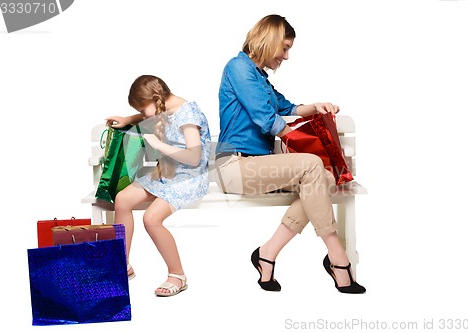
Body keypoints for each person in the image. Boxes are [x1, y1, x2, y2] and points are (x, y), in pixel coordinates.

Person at [215, 14, 365, 294]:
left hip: (263, 167)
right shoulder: (238, 67)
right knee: (312, 166)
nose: (286, 56)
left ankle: (267, 253)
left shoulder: (259, 77)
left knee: (327, 177)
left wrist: (316, 106)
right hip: (235, 166)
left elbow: (286, 106)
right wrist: (305, 144)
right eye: (284, 48)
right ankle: (338, 257)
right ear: (269, 40)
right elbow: (266, 119)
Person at [106, 74, 211, 297]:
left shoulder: (188, 114)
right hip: (167, 174)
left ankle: (177, 275)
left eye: (143, 109)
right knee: (122, 199)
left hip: (189, 178)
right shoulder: (164, 106)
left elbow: (194, 158)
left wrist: (158, 145)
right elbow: (152, 111)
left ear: (155, 99)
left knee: (151, 219)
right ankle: (121, 264)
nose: (143, 115)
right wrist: (128, 119)